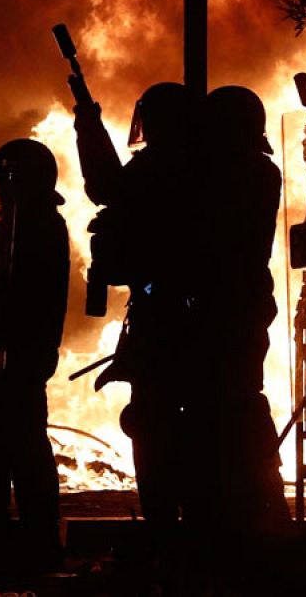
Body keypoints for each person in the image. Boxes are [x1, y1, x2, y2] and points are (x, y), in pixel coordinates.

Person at [92, 82, 203, 532]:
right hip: (180, 314)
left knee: (153, 421)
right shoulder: (202, 172)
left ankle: (165, 525)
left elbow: (106, 189)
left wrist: (88, 129)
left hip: (164, 316)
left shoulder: (159, 171)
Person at [0, 138, 70, 558]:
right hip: (8, 350)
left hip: (17, 352)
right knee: (4, 445)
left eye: (3, 177)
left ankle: (13, 538)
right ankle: (11, 535)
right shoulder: (24, 223)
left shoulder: (35, 227)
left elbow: (23, 296)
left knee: (9, 445)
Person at [188, 85, 288, 536]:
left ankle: (251, 507)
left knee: (232, 404)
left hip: (231, 302)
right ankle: (255, 504)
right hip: (241, 300)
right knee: (236, 402)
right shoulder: (257, 172)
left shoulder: (243, 176)